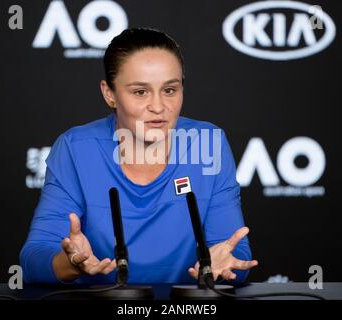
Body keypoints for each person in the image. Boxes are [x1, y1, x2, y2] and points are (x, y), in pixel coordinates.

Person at [20, 27, 258, 285]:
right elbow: (34, 259)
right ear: (109, 93)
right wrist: (70, 264)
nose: (158, 107)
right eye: (140, 92)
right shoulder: (76, 148)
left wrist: (226, 264)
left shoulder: (208, 143)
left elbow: (235, 254)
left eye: (169, 90)